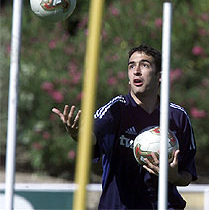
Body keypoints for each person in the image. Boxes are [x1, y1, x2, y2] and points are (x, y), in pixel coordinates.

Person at [52, 44, 197, 209]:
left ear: (160, 76)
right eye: (131, 66)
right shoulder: (116, 109)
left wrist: (174, 176)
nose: (136, 70)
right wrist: (77, 134)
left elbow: (188, 174)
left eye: (144, 65)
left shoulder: (177, 116)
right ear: (128, 77)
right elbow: (92, 138)